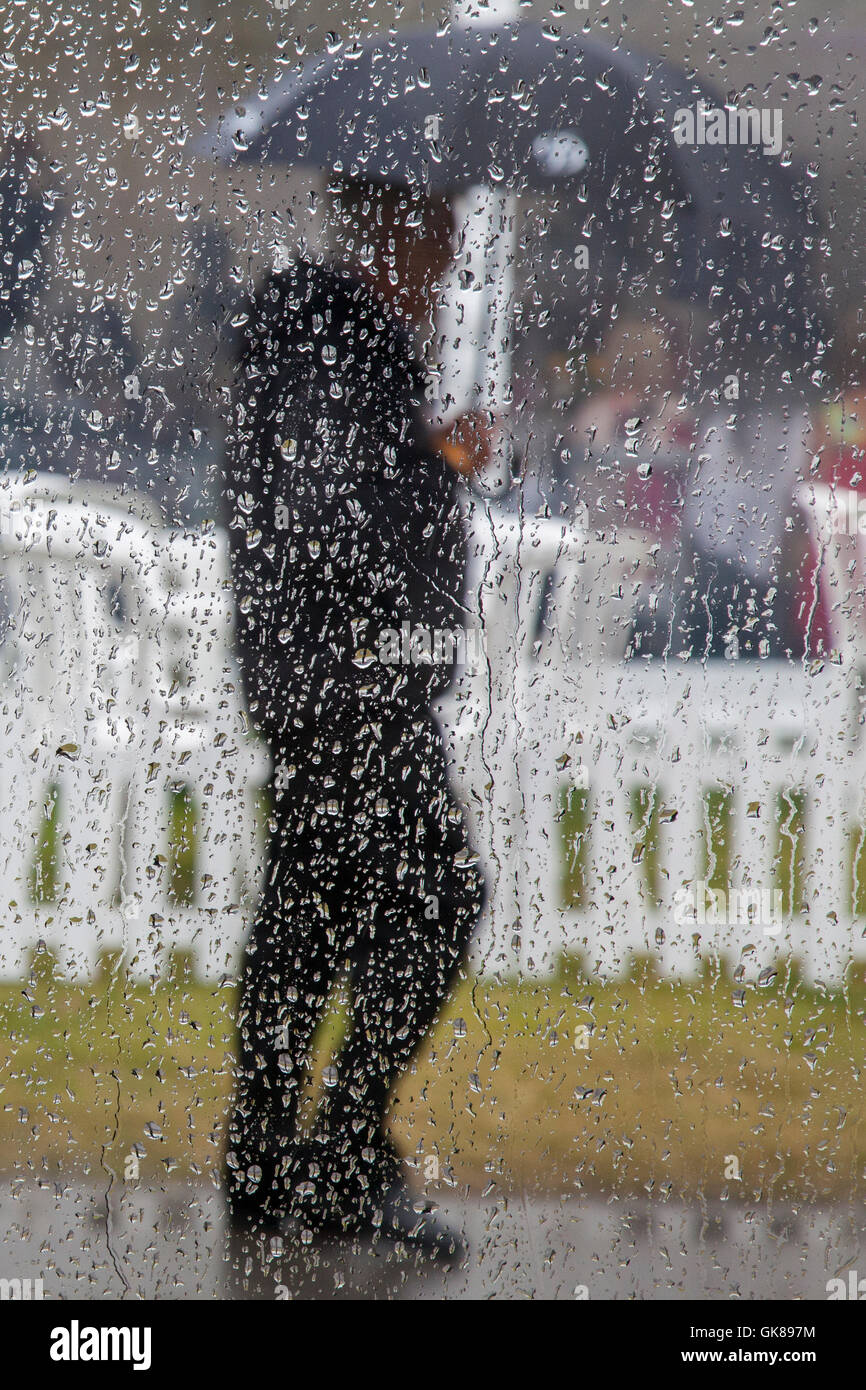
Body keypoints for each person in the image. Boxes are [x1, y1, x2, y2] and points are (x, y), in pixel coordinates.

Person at [223, 179, 487, 1260]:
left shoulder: (328, 344)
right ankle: (331, 1161)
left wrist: (426, 446)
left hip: (318, 675)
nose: (447, 258)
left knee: (308, 908)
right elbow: (329, 511)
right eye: (438, 231)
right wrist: (429, 462)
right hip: (350, 683)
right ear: (395, 228)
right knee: (435, 895)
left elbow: (325, 485)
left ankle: (266, 1157)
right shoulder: (330, 345)